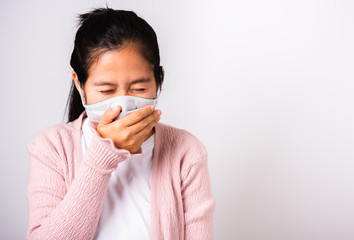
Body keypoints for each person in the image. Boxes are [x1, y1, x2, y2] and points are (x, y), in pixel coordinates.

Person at [26, 7, 215, 240]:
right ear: (79, 84)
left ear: (158, 80)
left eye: (139, 88)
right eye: (106, 90)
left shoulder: (186, 151)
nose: (123, 104)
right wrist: (103, 154)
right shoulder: (52, 146)